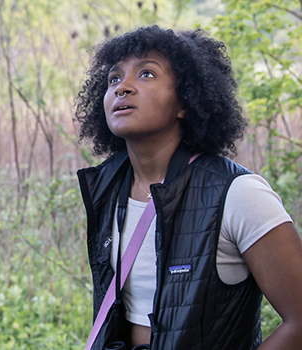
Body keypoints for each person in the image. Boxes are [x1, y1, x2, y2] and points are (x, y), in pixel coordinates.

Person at [74, 25, 302, 350]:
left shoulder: (239, 194)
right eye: (114, 79)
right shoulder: (107, 187)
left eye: (147, 74)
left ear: (185, 101)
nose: (122, 87)